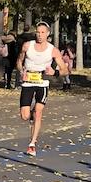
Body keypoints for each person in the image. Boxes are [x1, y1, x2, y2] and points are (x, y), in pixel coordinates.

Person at [17, 21, 59, 155]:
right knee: (25, 116)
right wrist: (21, 71)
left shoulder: (53, 50)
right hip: (28, 82)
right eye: (38, 32)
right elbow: (19, 61)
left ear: (47, 34)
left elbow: (64, 69)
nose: (40, 35)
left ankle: (32, 144)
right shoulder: (27, 46)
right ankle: (31, 115)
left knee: (39, 112)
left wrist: (54, 72)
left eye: (42, 33)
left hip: (43, 83)